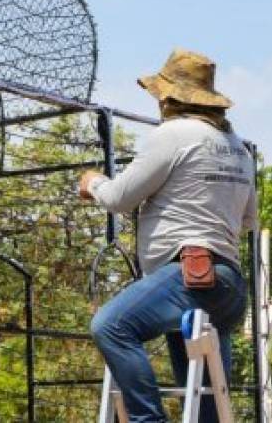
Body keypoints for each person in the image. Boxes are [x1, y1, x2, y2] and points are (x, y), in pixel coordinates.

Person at [80, 48, 257, 422]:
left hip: (190, 276)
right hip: (227, 287)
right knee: (207, 405)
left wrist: (93, 182)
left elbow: (117, 198)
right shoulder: (238, 149)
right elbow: (247, 221)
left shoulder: (173, 135)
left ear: (169, 98)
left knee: (111, 326)